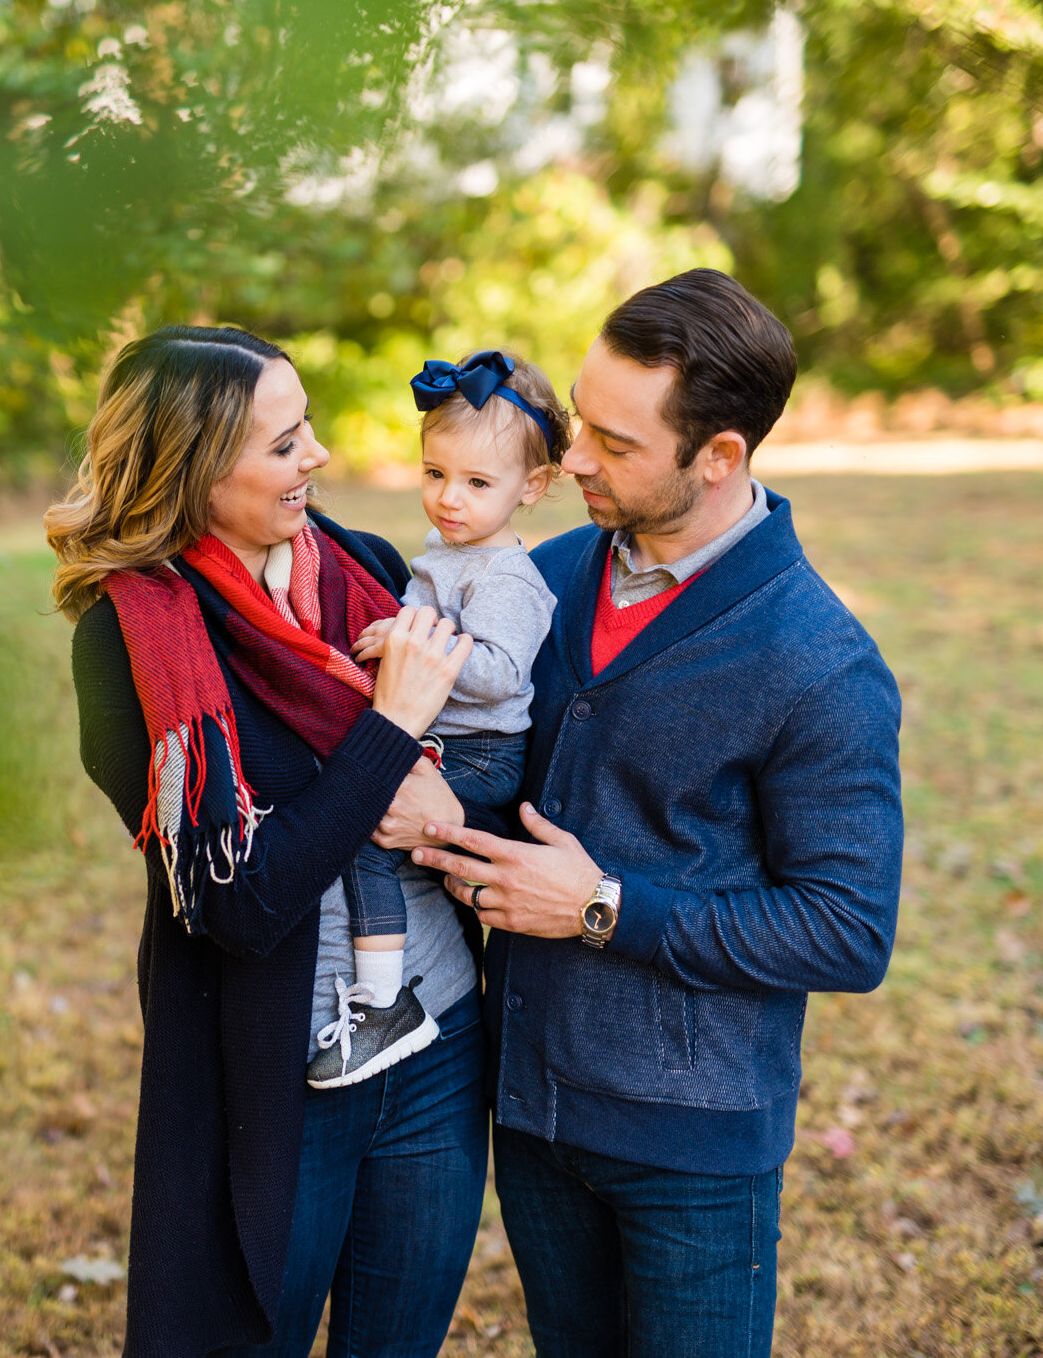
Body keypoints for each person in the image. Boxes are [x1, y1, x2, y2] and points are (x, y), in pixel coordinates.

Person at [386, 269, 906, 1357]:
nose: (570, 457)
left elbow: (847, 930)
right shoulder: (554, 570)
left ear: (717, 456)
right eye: (578, 421)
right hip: (528, 1110)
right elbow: (510, 759)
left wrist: (601, 908)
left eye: (612, 444)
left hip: (692, 1148)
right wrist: (434, 799)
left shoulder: (818, 663)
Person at [48, 325, 491, 1358]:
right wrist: (387, 730)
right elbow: (239, 901)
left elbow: (462, 773)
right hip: (276, 1072)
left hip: (435, 1043)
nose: (318, 459)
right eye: (283, 444)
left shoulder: (363, 570)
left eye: (308, 432)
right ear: (197, 469)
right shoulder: (129, 645)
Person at [310, 350, 564, 1090]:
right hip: (443, 735)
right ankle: (386, 990)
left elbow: (499, 672)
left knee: (360, 829)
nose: (450, 499)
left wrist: (413, 641)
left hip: (481, 751)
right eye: (435, 474)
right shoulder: (445, 554)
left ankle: (385, 1002)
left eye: (478, 483)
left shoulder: (506, 576)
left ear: (533, 486)